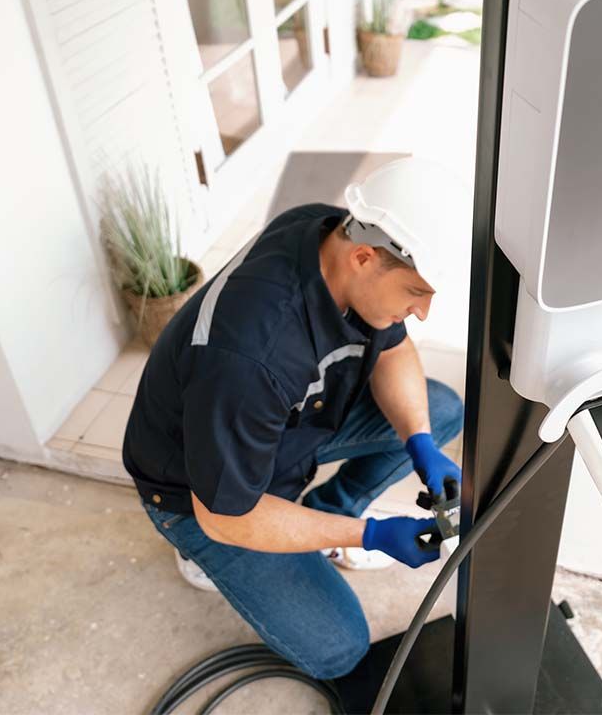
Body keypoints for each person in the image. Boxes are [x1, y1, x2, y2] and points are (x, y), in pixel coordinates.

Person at [122, 157, 466, 680]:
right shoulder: (250, 356)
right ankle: (206, 555)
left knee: (438, 411)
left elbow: (394, 351)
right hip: (197, 493)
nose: (422, 312)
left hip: (285, 424)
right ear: (365, 258)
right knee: (339, 648)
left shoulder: (327, 231)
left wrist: (419, 441)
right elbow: (226, 516)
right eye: (417, 294)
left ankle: (325, 516)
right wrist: (369, 535)